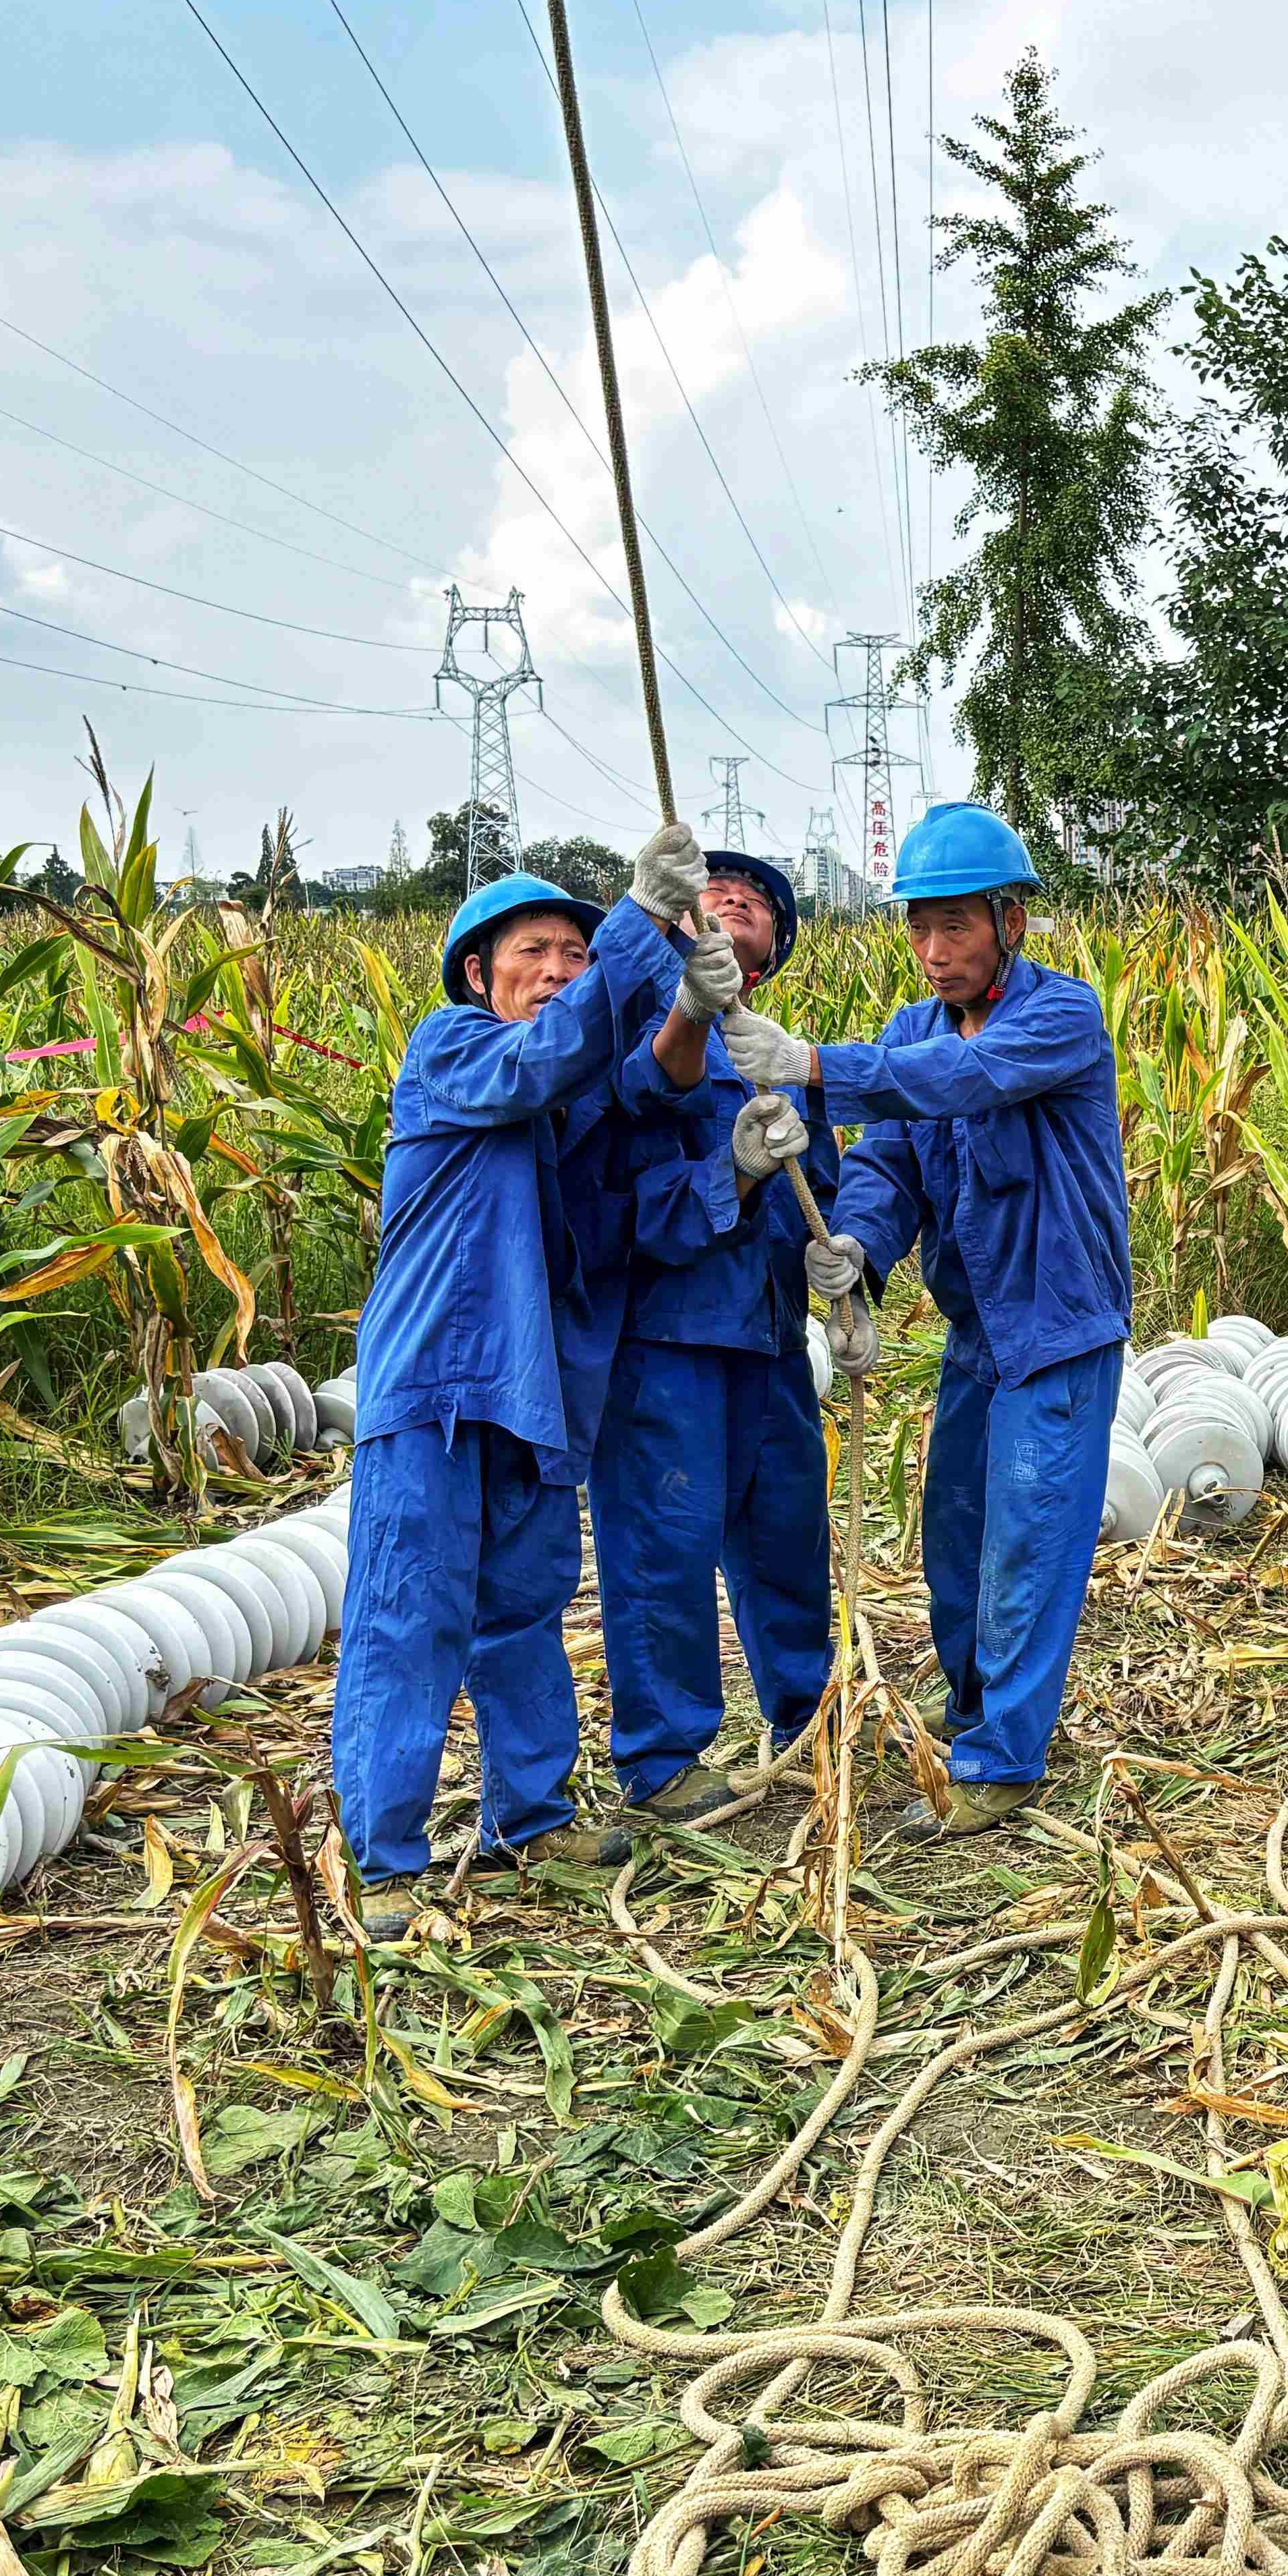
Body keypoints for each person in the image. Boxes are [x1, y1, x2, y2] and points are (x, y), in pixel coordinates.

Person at [333, 827, 736, 1941]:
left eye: (572, 950)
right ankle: (385, 1860)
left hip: (536, 1396)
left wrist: (694, 1014)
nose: (558, 969)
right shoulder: (455, 1053)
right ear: (478, 972)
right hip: (434, 1389)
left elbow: (633, 1100)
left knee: (522, 1612)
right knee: (408, 1617)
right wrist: (634, 924)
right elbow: (546, 1058)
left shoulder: (563, 1106)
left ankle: (533, 1816)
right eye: (534, 953)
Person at [745, 803, 1129, 1837]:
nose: (934, 951)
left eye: (955, 926)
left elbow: (954, 1084)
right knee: (954, 1537)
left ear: (1011, 919)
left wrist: (814, 1067)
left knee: (1029, 1542)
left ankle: (1005, 1761)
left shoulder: (1060, 1017)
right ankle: (973, 1718)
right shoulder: (914, 1028)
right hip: (978, 1333)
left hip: (1058, 1327)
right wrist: (858, 1251)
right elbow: (890, 1165)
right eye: (918, 929)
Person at [590, 849, 858, 1839]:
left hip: (769, 1342)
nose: (736, 899)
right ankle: (663, 1761)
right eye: (716, 895)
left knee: (787, 1530)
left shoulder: (782, 1062)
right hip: (667, 1342)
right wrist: (733, 1175)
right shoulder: (640, 1047)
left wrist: (846, 1270)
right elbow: (631, 1183)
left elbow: (822, 1198)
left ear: (775, 953)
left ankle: (809, 1714)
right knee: (664, 1545)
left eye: (758, 905)